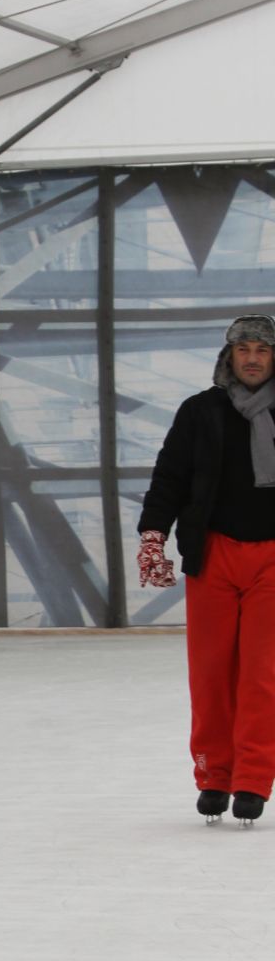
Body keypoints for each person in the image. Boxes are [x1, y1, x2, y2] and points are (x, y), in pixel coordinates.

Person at [137, 311, 275, 825]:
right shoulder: (201, 411)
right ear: (229, 357)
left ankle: (253, 780)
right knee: (211, 672)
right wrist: (153, 536)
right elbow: (170, 475)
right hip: (213, 554)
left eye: (262, 350)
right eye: (245, 350)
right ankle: (215, 773)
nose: (254, 359)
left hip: (273, 558)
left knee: (262, 673)